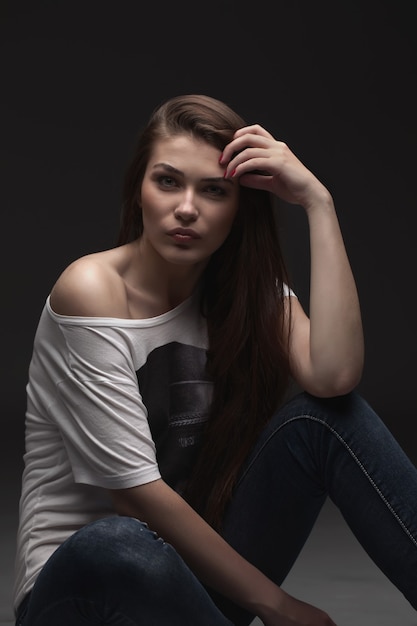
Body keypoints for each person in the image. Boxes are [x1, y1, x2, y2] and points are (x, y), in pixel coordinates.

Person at [13, 93, 417, 626]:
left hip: (190, 589)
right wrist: (279, 606)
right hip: (84, 593)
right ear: (139, 191)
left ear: (238, 206)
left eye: (213, 190)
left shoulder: (249, 296)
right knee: (118, 539)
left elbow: (335, 376)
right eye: (167, 181)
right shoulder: (91, 289)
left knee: (326, 421)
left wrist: (319, 203)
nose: (187, 207)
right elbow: (137, 499)